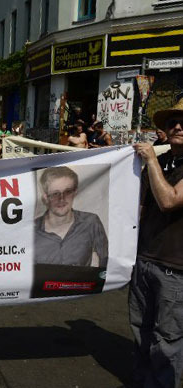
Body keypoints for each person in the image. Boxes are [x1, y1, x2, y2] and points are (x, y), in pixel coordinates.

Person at [130, 99, 183, 388]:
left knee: (167, 340)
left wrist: (150, 161)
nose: (177, 127)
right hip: (145, 259)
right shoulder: (163, 162)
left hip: (175, 268)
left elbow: (169, 200)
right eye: (172, 122)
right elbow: (142, 206)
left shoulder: (156, 163)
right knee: (141, 329)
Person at [33, 166, 108, 267]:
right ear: (45, 197)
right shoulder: (31, 231)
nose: (62, 199)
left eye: (67, 192)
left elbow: (106, 261)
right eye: (55, 194)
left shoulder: (91, 222)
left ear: (75, 193)